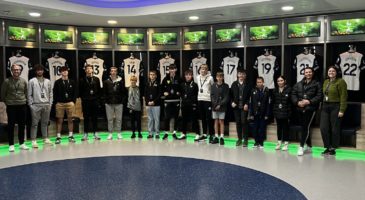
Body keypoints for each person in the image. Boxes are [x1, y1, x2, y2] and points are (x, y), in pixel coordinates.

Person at [292, 67, 322, 156]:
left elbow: (319, 96)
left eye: (310, 72)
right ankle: (309, 145)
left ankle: (301, 146)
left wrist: (309, 101)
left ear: (312, 73)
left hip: (310, 109)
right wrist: (297, 102)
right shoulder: (299, 84)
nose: (308, 73)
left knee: (305, 127)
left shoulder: (317, 84)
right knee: (304, 127)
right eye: (306, 72)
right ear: (304, 73)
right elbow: (293, 94)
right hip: (299, 108)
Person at [1, 64, 29, 152]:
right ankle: (11, 144)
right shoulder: (7, 81)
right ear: (12, 70)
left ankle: (22, 143)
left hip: (22, 105)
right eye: (15, 70)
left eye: (18, 70)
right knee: (11, 125)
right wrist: (8, 102)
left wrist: (24, 100)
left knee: (22, 125)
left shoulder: (24, 81)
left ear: (20, 71)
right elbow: (2, 95)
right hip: (11, 106)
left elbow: (26, 93)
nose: (16, 71)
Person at [320, 66, 347, 156]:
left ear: (337, 72)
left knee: (334, 128)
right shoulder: (326, 81)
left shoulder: (341, 82)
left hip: (335, 106)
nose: (331, 72)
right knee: (323, 128)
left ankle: (333, 148)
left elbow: (344, 96)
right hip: (325, 106)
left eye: (333, 71)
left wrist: (342, 110)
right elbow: (324, 94)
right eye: (329, 71)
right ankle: (327, 147)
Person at [27, 64, 53, 148]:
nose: (40, 71)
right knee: (34, 124)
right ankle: (33, 140)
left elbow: (50, 93)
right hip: (35, 105)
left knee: (45, 123)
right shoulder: (32, 81)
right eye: (38, 70)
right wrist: (31, 105)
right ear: (35, 71)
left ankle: (45, 138)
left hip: (46, 105)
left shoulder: (48, 81)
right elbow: (29, 94)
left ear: (43, 71)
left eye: (41, 70)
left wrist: (50, 103)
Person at [53, 66, 77, 144]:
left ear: (68, 72)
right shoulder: (57, 82)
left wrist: (73, 101)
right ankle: (58, 136)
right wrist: (57, 102)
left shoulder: (72, 82)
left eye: (66, 71)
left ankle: (70, 135)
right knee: (59, 120)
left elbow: (75, 92)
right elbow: (55, 93)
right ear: (60, 72)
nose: (64, 72)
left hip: (70, 103)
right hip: (60, 103)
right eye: (63, 71)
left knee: (70, 120)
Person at [103, 66, 127, 140]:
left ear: (117, 72)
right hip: (109, 103)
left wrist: (122, 101)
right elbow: (104, 93)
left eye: (115, 71)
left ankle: (119, 133)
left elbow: (124, 92)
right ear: (110, 72)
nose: (113, 72)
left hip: (119, 103)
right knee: (110, 119)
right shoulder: (106, 81)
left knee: (119, 119)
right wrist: (105, 102)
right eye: (112, 71)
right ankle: (110, 133)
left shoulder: (121, 81)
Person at [79, 64, 101, 141]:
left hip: (94, 101)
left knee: (95, 117)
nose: (89, 70)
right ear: (85, 70)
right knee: (86, 118)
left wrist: (97, 100)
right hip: (86, 101)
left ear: (92, 70)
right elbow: (80, 91)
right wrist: (84, 99)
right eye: (87, 68)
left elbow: (99, 90)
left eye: (90, 68)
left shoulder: (96, 79)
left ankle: (95, 133)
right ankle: (85, 133)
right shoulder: (82, 80)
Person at [230, 69, 251, 147]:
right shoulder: (234, 84)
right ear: (237, 75)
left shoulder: (248, 84)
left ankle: (245, 139)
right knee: (238, 122)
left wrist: (247, 104)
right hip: (236, 107)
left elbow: (250, 96)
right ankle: (239, 139)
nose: (241, 76)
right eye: (240, 74)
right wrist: (232, 102)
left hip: (244, 107)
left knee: (244, 122)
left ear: (245, 75)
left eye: (243, 74)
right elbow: (231, 95)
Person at [249, 77, 271, 148]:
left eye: (260, 82)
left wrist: (267, 114)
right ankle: (256, 142)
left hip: (263, 113)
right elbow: (251, 103)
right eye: (258, 82)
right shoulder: (253, 90)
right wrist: (251, 113)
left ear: (263, 82)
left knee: (262, 128)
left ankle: (261, 142)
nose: (259, 83)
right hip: (255, 113)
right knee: (255, 128)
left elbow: (268, 103)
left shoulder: (266, 91)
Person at [161, 64, 182, 140]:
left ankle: (174, 133)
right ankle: (166, 133)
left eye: (173, 69)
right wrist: (164, 93)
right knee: (167, 117)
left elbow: (182, 88)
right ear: (169, 70)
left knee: (176, 118)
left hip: (176, 100)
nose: (172, 70)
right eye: (171, 69)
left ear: (176, 70)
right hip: (167, 101)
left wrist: (180, 93)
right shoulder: (165, 78)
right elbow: (161, 88)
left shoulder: (179, 78)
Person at [196, 64, 214, 142]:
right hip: (200, 99)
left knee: (209, 118)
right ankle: (204, 135)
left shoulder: (210, 78)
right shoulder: (197, 77)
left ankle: (211, 134)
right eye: (202, 69)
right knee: (202, 118)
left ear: (207, 70)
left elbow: (213, 88)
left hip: (208, 100)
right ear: (200, 70)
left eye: (205, 69)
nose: (203, 70)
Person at [179, 69, 199, 140]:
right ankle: (183, 133)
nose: (188, 76)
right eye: (186, 75)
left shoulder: (195, 85)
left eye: (189, 75)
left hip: (192, 105)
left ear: (192, 76)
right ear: (184, 76)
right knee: (184, 120)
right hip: (184, 105)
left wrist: (194, 104)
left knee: (194, 120)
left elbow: (196, 95)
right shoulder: (182, 85)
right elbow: (181, 94)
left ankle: (197, 134)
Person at [272, 76, 291, 151]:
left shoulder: (289, 89)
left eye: (281, 80)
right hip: (277, 112)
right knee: (279, 128)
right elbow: (273, 102)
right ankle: (279, 143)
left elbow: (290, 103)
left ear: (285, 81)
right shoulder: (275, 90)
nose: (280, 82)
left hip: (286, 113)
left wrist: (289, 113)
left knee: (285, 128)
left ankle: (286, 144)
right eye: (278, 81)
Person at [210, 72, 229, 145]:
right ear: (216, 77)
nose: (219, 78)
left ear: (223, 78)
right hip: (214, 107)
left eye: (221, 77)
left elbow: (226, 97)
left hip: (222, 107)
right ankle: (216, 136)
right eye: (218, 77)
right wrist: (215, 104)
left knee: (221, 121)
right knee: (215, 121)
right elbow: (212, 96)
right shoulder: (213, 85)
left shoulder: (226, 86)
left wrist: (220, 104)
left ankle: (221, 137)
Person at [144, 70, 161, 139]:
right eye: (151, 74)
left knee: (156, 119)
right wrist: (148, 101)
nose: (152, 76)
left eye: (153, 74)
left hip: (156, 104)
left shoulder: (159, 84)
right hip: (148, 104)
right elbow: (145, 94)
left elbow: (159, 95)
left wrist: (154, 101)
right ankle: (150, 133)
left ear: (156, 76)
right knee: (150, 119)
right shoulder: (147, 84)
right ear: (149, 76)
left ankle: (157, 133)